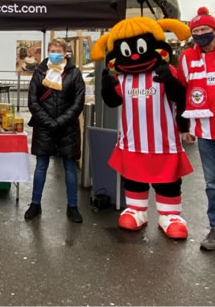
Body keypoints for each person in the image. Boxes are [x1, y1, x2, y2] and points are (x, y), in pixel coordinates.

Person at [92, 16, 193, 239]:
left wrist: (172, 82)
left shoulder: (166, 73)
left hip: (163, 142)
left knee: (167, 180)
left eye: (141, 48)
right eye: (128, 51)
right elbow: (113, 102)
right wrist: (106, 89)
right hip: (132, 141)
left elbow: (181, 97)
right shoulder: (123, 79)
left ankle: (169, 215)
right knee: (134, 178)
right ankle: (137, 210)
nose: (136, 55)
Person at [25, 39, 86, 223]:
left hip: (67, 128)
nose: (54, 53)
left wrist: (59, 121)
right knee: (41, 166)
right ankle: (35, 203)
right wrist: (48, 121)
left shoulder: (74, 73)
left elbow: (78, 102)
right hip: (44, 127)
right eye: (51, 50)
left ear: (65, 52)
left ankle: (73, 206)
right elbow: (32, 100)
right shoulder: (39, 72)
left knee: (70, 168)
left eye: (58, 50)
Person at [178, 7, 215, 251]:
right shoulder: (187, 58)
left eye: (205, 29)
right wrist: (184, 127)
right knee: (212, 183)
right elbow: (182, 92)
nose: (201, 34)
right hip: (205, 132)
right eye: (197, 31)